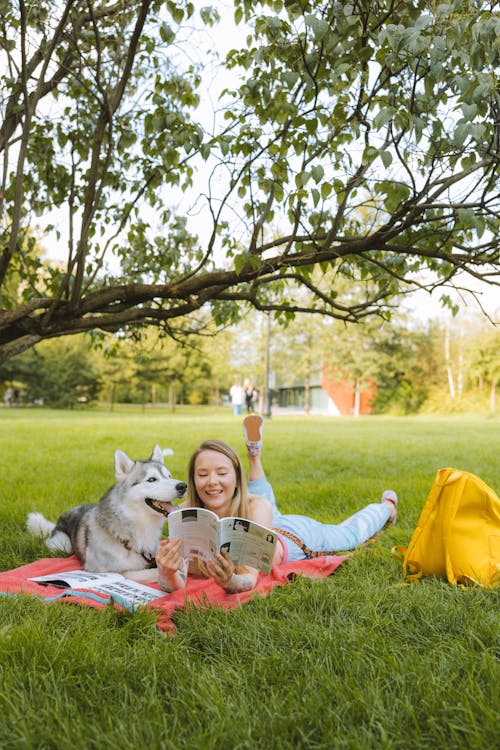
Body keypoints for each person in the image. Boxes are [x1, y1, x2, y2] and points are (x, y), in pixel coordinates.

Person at [156, 416, 398, 594]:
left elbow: (248, 580)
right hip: (262, 519)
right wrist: (166, 572)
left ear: (237, 478)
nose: (212, 482)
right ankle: (255, 455)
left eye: (222, 473)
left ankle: (386, 507)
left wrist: (229, 580)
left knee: (349, 535)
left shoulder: (256, 507)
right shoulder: (187, 513)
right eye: (202, 474)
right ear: (193, 479)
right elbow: (175, 584)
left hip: (292, 537)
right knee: (263, 504)